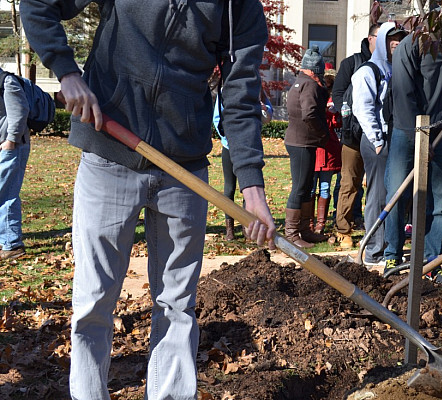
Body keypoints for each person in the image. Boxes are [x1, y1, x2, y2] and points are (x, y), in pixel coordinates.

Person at [20, 1, 276, 398]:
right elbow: (38, 5)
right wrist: (66, 71)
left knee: (177, 307)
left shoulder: (237, 7)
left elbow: (240, 96)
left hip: (184, 169)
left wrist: (252, 189)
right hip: (110, 150)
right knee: (94, 301)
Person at [384, 29, 442, 272]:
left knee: (438, 200)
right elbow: (402, 91)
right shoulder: (410, 44)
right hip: (406, 130)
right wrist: (420, 137)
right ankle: (392, 254)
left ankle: (432, 261)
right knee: (396, 194)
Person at [352, 22, 406, 267]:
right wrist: (376, 140)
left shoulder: (397, 68)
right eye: (391, 38)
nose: (396, 42)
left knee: (392, 194)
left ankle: (388, 248)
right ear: (381, 40)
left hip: (395, 139)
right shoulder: (367, 71)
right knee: (378, 195)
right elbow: (362, 109)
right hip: (378, 142)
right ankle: (374, 250)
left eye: (400, 38)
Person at [331, 24, 380, 249]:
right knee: (349, 182)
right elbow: (338, 92)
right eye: (380, 37)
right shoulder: (351, 63)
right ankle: (343, 230)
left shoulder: (390, 65)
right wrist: (346, 112)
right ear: (370, 38)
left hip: (378, 135)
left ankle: (376, 229)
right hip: (353, 135)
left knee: (377, 184)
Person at [284, 46, 330, 248]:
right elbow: (310, 114)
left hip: (297, 140)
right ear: (314, 71)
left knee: (305, 186)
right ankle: (292, 234)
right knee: (300, 187)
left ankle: (304, 230)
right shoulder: (310, 85)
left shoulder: (298, 82)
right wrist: (322, 133)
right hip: (303, 142)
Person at [214, 86, 273, 241]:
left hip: (249, 147)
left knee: (249, 187)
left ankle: (248, 228)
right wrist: (229, 138)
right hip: (229, 146)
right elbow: (216, 119)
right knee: (230, 188)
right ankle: (229, 229)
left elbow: (267, 117)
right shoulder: (223, 90)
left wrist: (264, 108)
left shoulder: (258, 89)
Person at [0, 68, 30, 260]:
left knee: (6, 193)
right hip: (4, 146)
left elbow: (20, 112)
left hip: (12, 147)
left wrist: (11, 141)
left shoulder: (8, 82)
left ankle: (12, 245)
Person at [311, 68, 342, 235]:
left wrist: (336, 112)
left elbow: (337, 124)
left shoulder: (332, 101)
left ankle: (320, 224)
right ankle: (308, 223)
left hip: (328, 151)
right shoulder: (313, 98)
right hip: (314, 149)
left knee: (324, 188)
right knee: (310, 188)